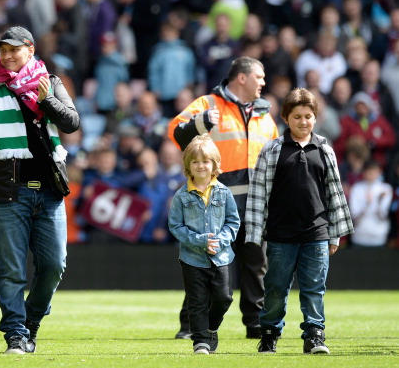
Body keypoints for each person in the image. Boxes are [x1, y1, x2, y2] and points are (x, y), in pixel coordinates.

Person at [0, 26, 80, 354]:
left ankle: (31, 321)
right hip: (7, 192)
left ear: (30, 50)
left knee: (54, 265)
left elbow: (71, 123)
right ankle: (16, 335)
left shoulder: (48, 82)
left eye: (13, 49)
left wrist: (46, 99)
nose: (6, 56)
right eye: (2, 51)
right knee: (11, 272)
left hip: (48, 190)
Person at [167, 56, 279, 339]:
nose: (264, 82)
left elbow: (276, 154)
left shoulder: (264, 112)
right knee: (206, 261)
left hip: (255, 201)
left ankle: (256, 325)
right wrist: (199, 124)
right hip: (215, 200)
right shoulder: (208, 104)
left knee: (256, 264)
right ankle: (191, 326)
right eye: (260, 76)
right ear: (241, 78)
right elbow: (174, 132)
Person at [246, 88, 353, 354]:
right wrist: (254, 234)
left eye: (308, 116)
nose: (302, 122)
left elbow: (334, 193)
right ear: (286, 118)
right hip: (281, 235)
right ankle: (269, 334)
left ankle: (314, 336)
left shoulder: (325, 149)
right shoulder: (272, 150)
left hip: (316, 232)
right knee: (275, 288)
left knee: (314, 289)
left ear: (315, 118)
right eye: (297, 117)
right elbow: (259, 194)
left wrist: (335, 234)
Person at [168, 134, 240, 354]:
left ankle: (211, 328)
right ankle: (200, 341)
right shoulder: (181, 196)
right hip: (192, 258)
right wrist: (199, 241)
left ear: (215, 164)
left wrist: (221, 240)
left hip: (221, 256)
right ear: (188, 165)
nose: (201, 166)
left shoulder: (224, 192)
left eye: (206, 161)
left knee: (224, 298)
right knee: (197, 301)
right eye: (195, 161)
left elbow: (233, 222)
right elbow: (176, 226)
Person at [349, 159, 393, 247]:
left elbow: (383, 215)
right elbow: (354, 215)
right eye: (369, 170)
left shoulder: (386, 188)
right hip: (359, 237)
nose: (371, 173)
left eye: (374, 170)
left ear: (379, 172)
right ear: (364, 172)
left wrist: (379, 202)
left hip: (379, 238)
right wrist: (367, 204)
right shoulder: (356, 188)